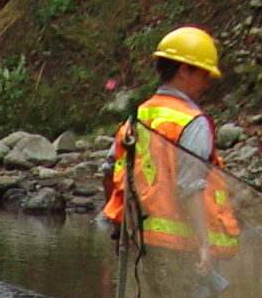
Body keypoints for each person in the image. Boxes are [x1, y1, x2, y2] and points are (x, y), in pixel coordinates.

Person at [101, 25, 240, 280]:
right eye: (204, 74)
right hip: (179, 249)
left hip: (139, 242)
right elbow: (190, 186)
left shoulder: (138, 116)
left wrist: (120, 226)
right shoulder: (192, 121)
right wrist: (204, 244)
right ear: (184, 70)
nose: (207, 83)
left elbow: (110, 171)